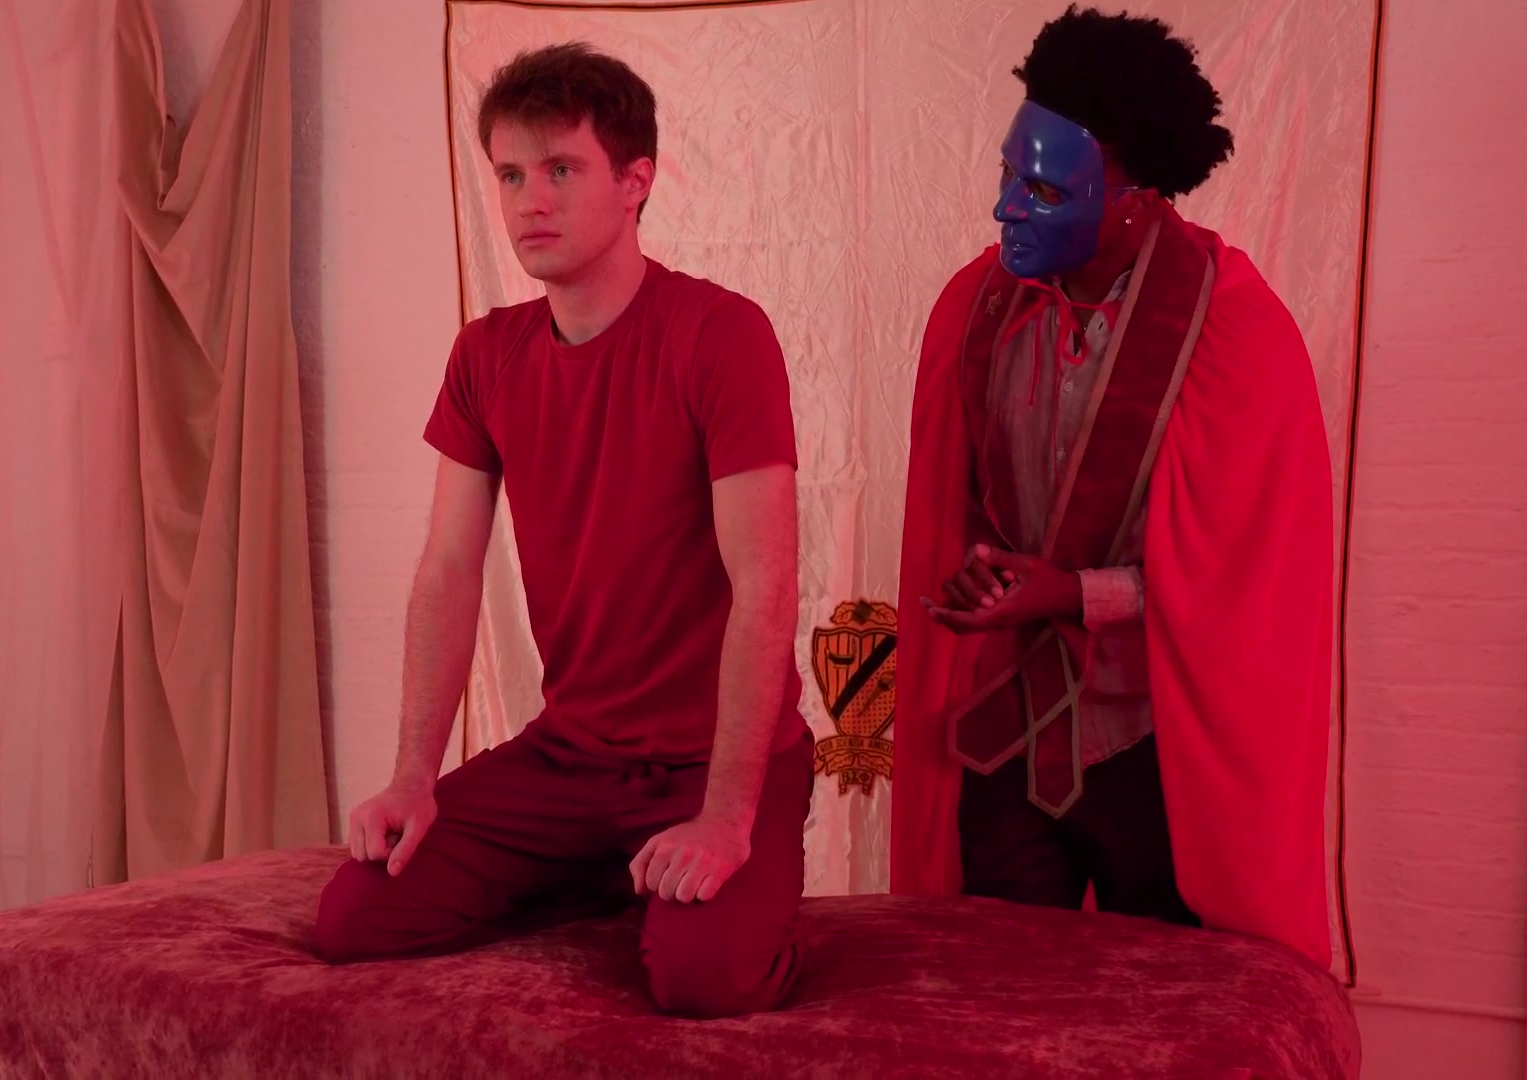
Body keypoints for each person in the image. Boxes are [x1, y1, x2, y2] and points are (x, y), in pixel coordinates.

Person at [312, 42, 813, 1019]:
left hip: (710, 762)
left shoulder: (720, 333)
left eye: (560, 170)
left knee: (704, 979)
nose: (529, 201)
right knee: (355, 919)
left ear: (635, 182)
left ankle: (685, 882)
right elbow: (448, 570)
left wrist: (726, 817)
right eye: (509, 174)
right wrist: (413, 776)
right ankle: (601, 875)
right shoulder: (485, 354)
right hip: (569, 758)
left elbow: (768, 585)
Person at [891, 5, 1336, 968]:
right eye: (1008, 174)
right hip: (1006, 736)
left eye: (1045, 188)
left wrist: (1070, 594)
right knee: (991, 995)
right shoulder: (973, 310)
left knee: (1167, 1005)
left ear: (1134, 199)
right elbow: (953, 512)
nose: (1008, 209)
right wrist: (977, 577)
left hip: (1156, 748)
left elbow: (1241, 587)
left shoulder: (1235, 335)